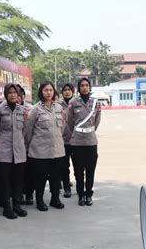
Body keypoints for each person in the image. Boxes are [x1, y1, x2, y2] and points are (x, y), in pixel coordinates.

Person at [25, 81, 65, 211]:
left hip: (57, 150)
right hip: (40, 151)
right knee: (40, 178)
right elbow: (28, 130)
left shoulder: (59, 108)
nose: (49, 92)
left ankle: (55, 199)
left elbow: (62, 128)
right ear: (41, 92)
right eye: (46, 90)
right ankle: (40, 201)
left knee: (56, 177)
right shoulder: (35, 109)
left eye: (51, 90)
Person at [0, 83, 28, 219]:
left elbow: (25, 130)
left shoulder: (22, 110)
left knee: (18, 180)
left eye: (15, 93)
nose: (13, 95)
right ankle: (7, 207)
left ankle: (17, 205)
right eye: (10, 93)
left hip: (19, 151)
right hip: (4, 151)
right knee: (5, 181)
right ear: (6, 94)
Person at [67, 78, 101, 206]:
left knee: (90, 170)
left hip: (91, 141)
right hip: (77, 142)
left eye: (87, 85)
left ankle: (88, 195)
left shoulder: (96, 103)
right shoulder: (73, 102)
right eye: (82, 85)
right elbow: (69, 122)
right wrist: (77, 132)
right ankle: (81, 195)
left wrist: (90, 130)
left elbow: (97, 121)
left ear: (90, 87)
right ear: (78, 88)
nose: (84, 88)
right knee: (79, 170)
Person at [59, 83, 75, 198]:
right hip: (63, 140)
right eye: (65, 90)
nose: (67, 92)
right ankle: (67, 188)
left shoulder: (76, 103)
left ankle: (80, 187)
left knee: (78, 165)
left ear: (73, 91)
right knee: (64, 166)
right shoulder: (58, 105)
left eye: (69, 90)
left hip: (76, 140)